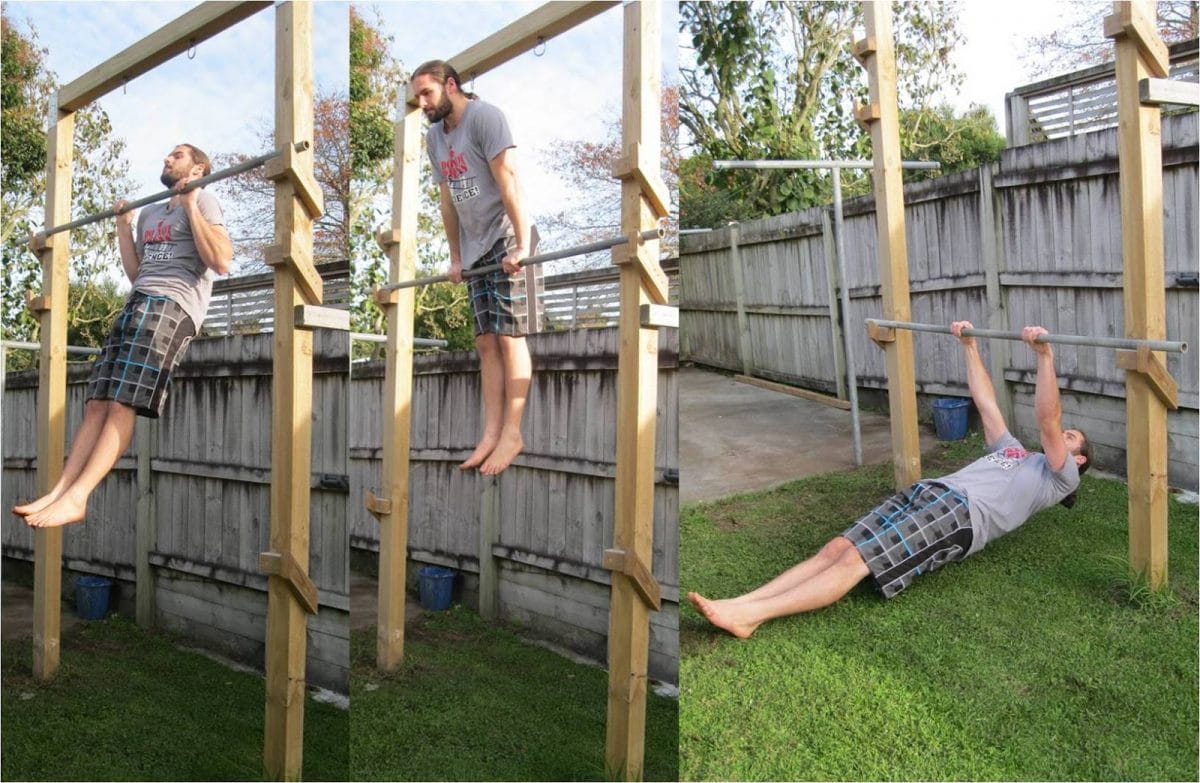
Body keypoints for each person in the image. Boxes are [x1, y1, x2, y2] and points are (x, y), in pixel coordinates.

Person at [688, 322, 1091, 639]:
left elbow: (1048, 421)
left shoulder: (1061, 478)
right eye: (1068, 432)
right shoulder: (1011, 450)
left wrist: (1044, 357)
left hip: (963, 516)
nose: (1064, 435)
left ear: (1080, 459)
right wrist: (968, 346)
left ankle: (750, 616)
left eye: (1072, 438)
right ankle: (742, 602)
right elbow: (986, 402)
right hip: (933, 491)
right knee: (838, 547)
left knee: (858, 561)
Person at [14, 144, 231, 528]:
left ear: (198, 168)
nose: (166, 158)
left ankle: (78, 498)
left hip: (173, 305)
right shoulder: (149, 212)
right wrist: (124, 227)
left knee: (122, 404)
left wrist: (190, 204)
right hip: (138, 301)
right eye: (166, 153)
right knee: (97, 402)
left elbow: (220, 261)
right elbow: (137, 272)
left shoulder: (207, 201)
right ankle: (60, 490)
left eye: (176, 155)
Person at [410, 59, 541, 476]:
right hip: (475, 249)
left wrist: (521, 246)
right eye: (417, 97)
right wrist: (454, 256)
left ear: (450, 85)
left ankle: (513, 432)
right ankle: (490, 432)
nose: (423, 103)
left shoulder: (486, 118)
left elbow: (509, 181)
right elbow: (447, 201)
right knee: (485, 342)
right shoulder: (434, 138)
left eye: (427, 93)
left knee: (509, 337)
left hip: (506, 237)